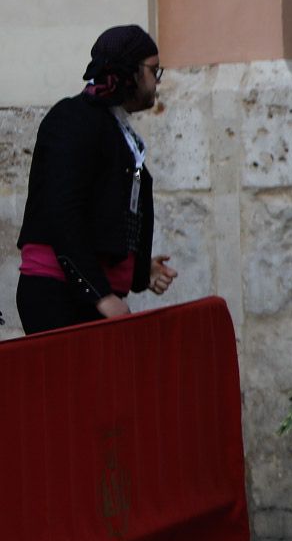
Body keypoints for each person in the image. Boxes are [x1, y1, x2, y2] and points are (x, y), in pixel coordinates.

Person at [15, 25, 178, 333]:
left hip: (84, 294)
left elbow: (103, 217)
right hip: (58, 296)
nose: (156, 83)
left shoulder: (112, 124)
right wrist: (101, 295)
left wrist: (139, 271)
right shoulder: (71, 119)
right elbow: (61, 213)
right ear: (130, 72)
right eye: (153, 71)